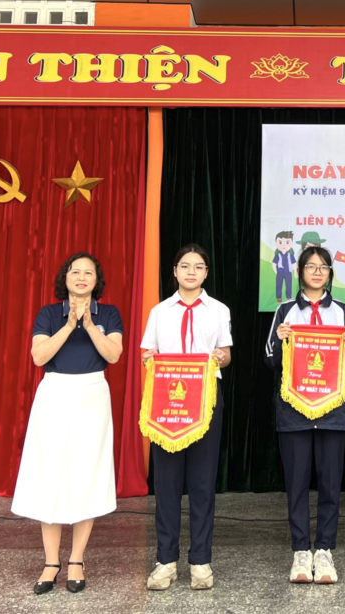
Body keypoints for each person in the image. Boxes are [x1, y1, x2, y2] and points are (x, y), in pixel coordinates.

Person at [13, 252, 124, 595]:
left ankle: (77, 559)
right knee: (51, 475)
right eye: (75, 271)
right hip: (54, 394)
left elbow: (113, 354)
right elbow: (39, 357)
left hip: (93, 395)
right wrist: (68, 325)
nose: (81, 277)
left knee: (86, 476)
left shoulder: (108, 313)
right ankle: (51, 562)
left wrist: (88, 324)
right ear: (66, 278)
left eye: (88, 272)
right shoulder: (49, 314)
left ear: (96, 280)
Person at [264, 247, 345, 584]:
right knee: (297, 483)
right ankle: (300, 551)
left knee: (331, 484)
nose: (317, 272)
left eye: (323, 267)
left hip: (333, 410)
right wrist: (280, 341)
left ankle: (325, 550)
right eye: (311, 266)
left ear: (330, 273)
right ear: (300, 271)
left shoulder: (342, 311)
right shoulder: (285, 311)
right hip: (294, 410)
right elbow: (270, 360)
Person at [141, 244, 233, 591]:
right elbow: (148, 351)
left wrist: (221, 357)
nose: (191, 272)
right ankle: (165, 560)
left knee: (202, 482)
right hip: (167, 401)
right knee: (166, 483)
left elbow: (226, 354)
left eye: (198, 267)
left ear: (206, 273)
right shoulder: (160, 311)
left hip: (206, 399)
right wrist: (149, 357)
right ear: (175, 271)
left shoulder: (219, 310)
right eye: (184, 266)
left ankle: (200, 561)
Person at [272, 230, 296, 303]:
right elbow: (274, 264)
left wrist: (295, 272)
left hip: (288, 272)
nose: (284, 245)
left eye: (287, 242)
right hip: (280, 272)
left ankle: (289, 296)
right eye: (280, 242)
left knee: (289, 285)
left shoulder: (290, 255)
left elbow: (294, 264)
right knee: (279, 285)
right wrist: (276, 271)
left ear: (291, 244)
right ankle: (279, 297)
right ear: (276, 243)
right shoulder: (277, 255)